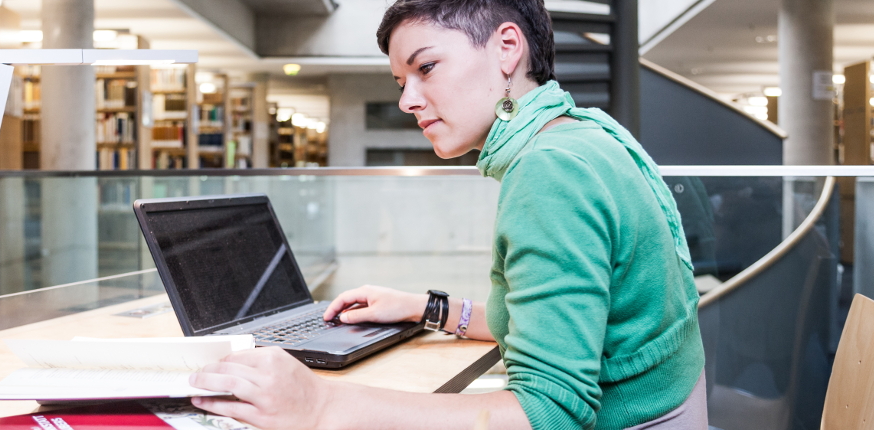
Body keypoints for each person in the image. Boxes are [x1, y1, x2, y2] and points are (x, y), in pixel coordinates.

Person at [188, 0, 707, 428]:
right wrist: (425, 309)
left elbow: (551, 412)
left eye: (426, 67)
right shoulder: (588, 132)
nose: (408, 101)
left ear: (507, 48)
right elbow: (559, 323)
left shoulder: (549, 172)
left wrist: (320, 405)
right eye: (400, 82)